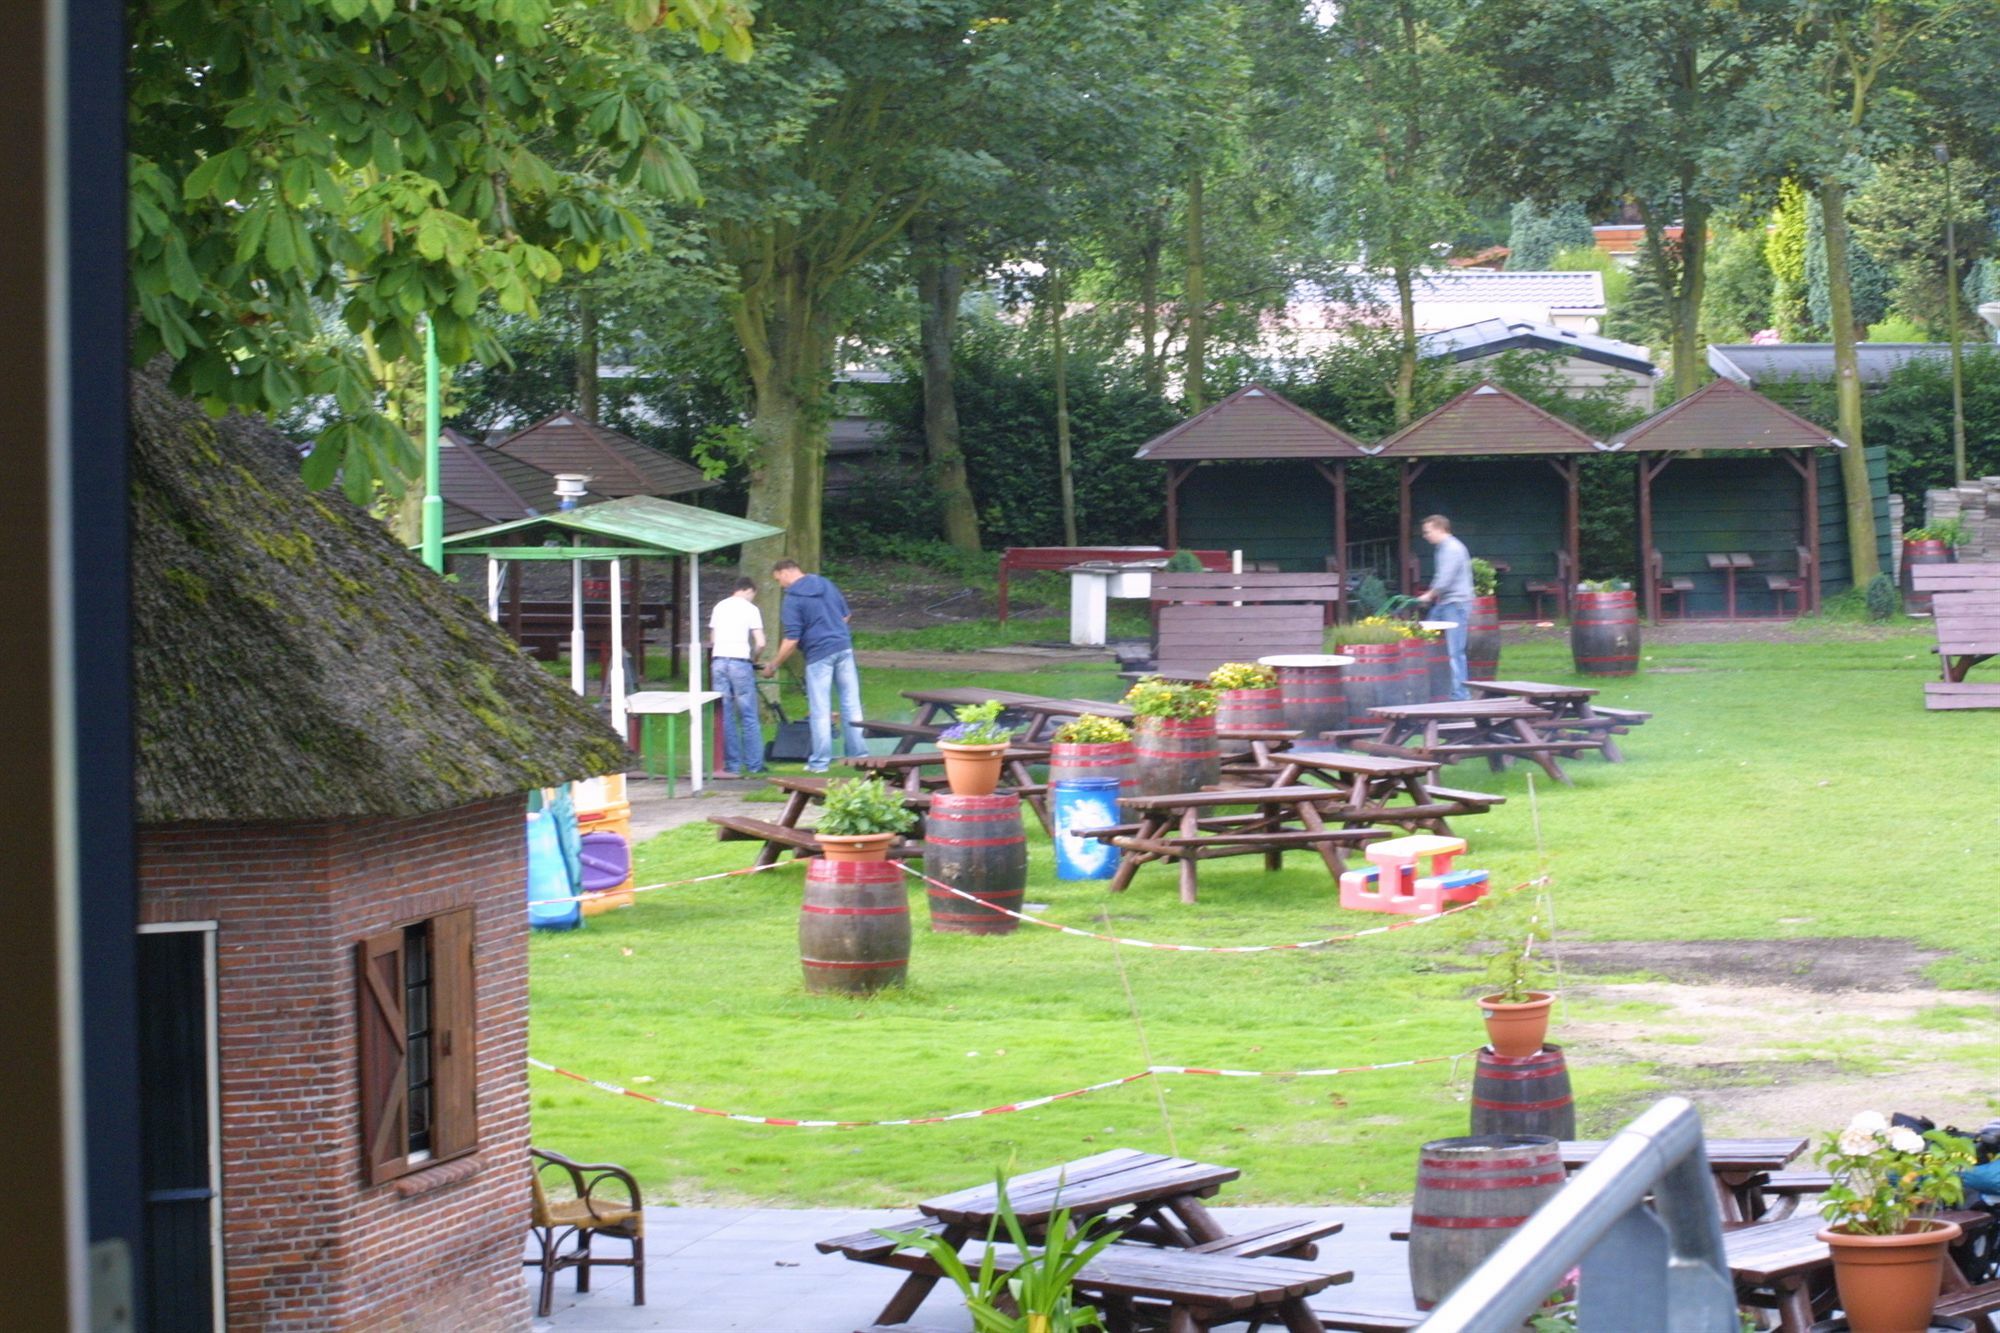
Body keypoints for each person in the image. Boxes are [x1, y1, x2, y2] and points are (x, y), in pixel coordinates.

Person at [762, 559, 869, 773]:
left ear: (784, 573)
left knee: (820, 710)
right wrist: (832, 629)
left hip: (819, 655)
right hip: (843, 648)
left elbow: (791, 640)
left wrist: (773, 665)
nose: (780, 585)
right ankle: (860, 756)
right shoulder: (825, 584)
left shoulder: (792, 599)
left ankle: (820, 762)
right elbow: (845, 615)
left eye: (778, 580)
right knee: (851, 705)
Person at [708, 577, 767, 779]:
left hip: (718, 662)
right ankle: (754, 764)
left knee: (725, 715)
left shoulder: (719, 607)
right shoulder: (750, 609)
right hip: (740, 662)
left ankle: (731, 764)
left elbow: (713, 639)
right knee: (748, 714)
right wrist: (754, 659)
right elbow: (760, 642)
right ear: (749, 590)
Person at [1416, 513, 1473, 701]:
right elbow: (1440, 577)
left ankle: (1461, 695)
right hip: (1446, 603)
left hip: (1455, 604)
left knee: (1454, 651)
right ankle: (1440, 690)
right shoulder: (1442, 548)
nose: (1425, 536)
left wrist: (1429, 595)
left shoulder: (1452, 548)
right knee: (1427, 639)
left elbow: (1445, 580)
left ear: (1440, 529)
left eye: (1428, 532)